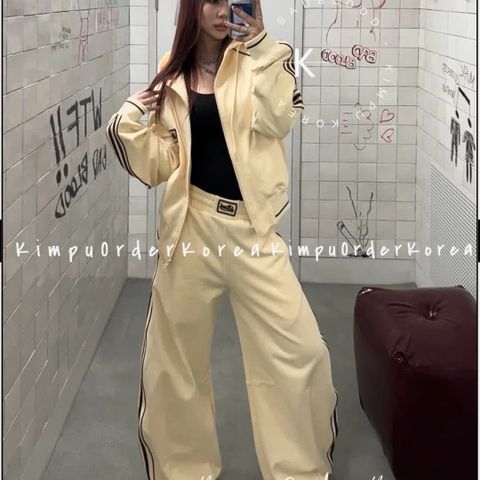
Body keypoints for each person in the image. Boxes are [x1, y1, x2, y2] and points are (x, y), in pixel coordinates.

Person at [105, 0, 339, 479]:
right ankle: (185, 470)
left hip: (253, 228)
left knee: (300, 353)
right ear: (192, 7)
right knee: (175, 363)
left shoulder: (267, 56)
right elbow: (162, 163)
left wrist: (260, 47)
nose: (221, 10)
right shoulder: (172, 71)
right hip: (191, 226)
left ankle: (298, 470)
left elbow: (278, 120)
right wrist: (129, 123)